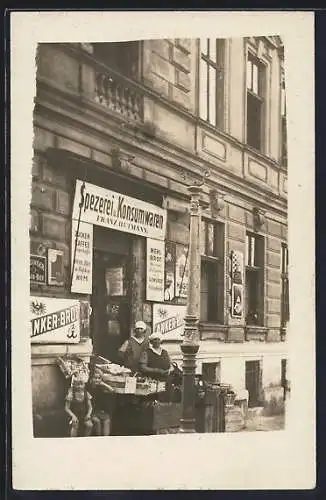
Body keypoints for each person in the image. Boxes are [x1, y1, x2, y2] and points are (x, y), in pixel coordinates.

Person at [88, 368, 113, 436]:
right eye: (95, 378)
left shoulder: (101, 388)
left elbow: (112, 390)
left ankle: (105, 440)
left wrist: (103, 384)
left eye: (99, 378)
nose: (97, 380)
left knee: (107, 421)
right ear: (91, 378)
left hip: (100, 411)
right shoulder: (89, 387)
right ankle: (98, 439)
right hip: (91, 411)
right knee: (97, 421)